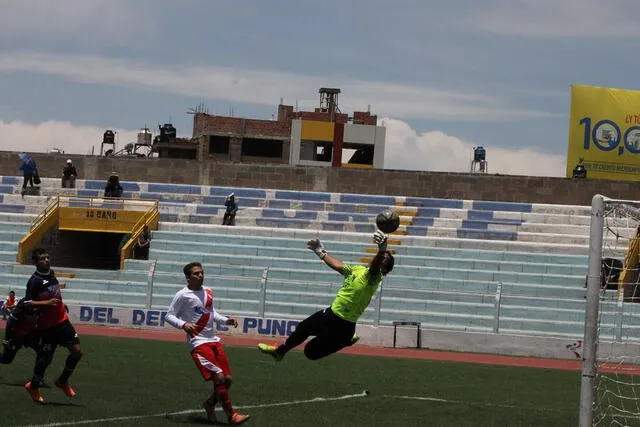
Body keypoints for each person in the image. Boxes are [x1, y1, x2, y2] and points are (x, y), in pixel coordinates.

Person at [258, 230, 394, 361]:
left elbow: (375, 267)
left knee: (310, 352)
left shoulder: (375, 277)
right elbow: (338, 266)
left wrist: (382, 250)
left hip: (345, 324)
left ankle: (345, 341)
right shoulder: (359, 269)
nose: (381, 260)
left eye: (384, 260)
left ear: (385, 270)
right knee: (303, 328)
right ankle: (279, 352)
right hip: (331, 314)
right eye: (381, 258)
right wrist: (321, 253)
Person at [166, 262, 249, 425]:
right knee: (218, 376)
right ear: (188, 277)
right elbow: (169, 315)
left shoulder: (208, 291)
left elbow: (212, 313)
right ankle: (231, 416)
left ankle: (209, 404)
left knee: (227, 379)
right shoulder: (182, 295)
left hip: (213, 340)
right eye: (196, 273)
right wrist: (183, 324)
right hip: (198, 342)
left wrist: (226, 320)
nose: (200, 275)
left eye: (202, 272)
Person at [23, 248, 83, 403]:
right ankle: (33, 386)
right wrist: (47, 303)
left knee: (77, 352)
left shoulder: (51, 273)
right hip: (47, 326)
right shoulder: (34, 281)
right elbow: (27, 303)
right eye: (43, 259)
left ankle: (62, 381)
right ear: (35, 262)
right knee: (46, 359)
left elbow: (55, 293)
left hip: (62, 320)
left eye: (48, 257)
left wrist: (62, 305)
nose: (47, 260)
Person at [0, 298, 39, 365]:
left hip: (26, 335)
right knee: (6, 359)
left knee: (42, 351)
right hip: (15, 337)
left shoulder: (43, 302)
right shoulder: (24, 302)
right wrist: (6, 339)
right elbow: (10, 322)